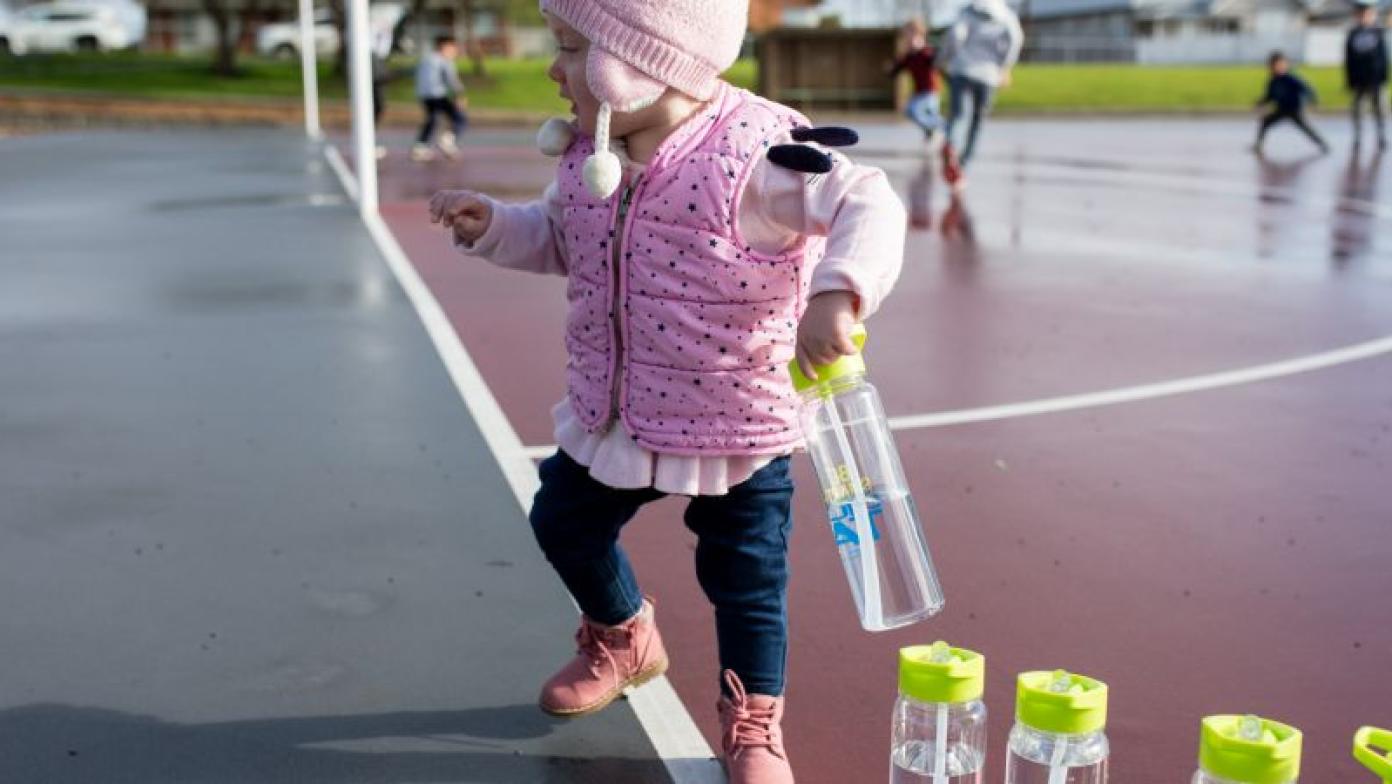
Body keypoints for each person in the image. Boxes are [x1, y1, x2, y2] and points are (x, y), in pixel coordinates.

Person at [427, 1, 907, 780]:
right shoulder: (593, 152)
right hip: (618, 408)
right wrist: (495, 226)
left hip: (739, 421)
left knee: (746, 583)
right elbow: (559, 236)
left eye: (571, 48)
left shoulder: (761, 155)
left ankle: (754, 723)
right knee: (562, 520)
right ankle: (624, 635)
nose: (553, 68)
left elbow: (869, 201)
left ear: (641, 61)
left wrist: (837, 294)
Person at [939, 0, 1023, 172]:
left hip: (961, 69)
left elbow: (955, 35)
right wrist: (1004, 66)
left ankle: (950, 144)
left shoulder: (968, 11)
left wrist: (945, 58)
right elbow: (1015, 40)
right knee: (978, 120)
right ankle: (963, 163)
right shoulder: (1006, 14)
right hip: (988, 73)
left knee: (958, 115)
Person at [1254, 51, 1329, 154]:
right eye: (1275, 65)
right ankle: (1258, 146)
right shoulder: (1273, 81)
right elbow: (1270, 96)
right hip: (1281, 109)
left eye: (1281, 65)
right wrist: (1260, 102)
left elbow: (1306, 88)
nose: (1279, 67)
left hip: (1294, 109)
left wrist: (1313, 100)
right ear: (1271, 67)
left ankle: (1322, 144)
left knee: (1305, 128)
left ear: (1286, 65)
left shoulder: (1291, 78)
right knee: (1265, 121)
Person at [412, 36, 467, 162]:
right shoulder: (444, 60)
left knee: (432, 120)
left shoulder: (426, 59)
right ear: (445, 47)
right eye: (453, 49)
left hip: (424, 95)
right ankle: (447, 140)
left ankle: (420, 147)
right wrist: (459, 95)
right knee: (460, 118)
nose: (455, 52)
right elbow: (451, 79)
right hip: (437, 95)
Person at [890, 19, 943, 145]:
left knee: (914, 111)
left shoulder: (926, 51)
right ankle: (934, 132)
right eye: (906, 36)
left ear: (919, 36)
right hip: (919, 91)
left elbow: (936, 61)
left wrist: (922, 50)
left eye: (911, 35)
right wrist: (892, 69)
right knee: (925, 115)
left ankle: (945, 128)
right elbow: (898, 68)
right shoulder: (909, 56)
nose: (908, 39)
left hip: (930, 90)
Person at [1345, 2, 1388, 150]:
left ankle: (1381, 136)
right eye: (1361, 15)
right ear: (1357, 16)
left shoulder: (1378, 32)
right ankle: (1357, 138)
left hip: (1375, 78)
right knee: (1357, 110)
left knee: (1380, 109)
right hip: (1359, 79)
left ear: (1373, 16)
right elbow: (1349, 58)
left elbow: (1384, 57)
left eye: (1368, 15)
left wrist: (1383, 77)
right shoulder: (1352, 34)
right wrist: (1350, 80)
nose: (1364, 17)